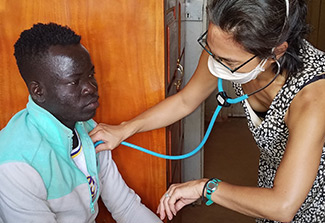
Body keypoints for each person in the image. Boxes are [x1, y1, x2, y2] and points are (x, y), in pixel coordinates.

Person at [89, 0, 325, 222]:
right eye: (212, 51)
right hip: (274, 176)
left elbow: (283, 206)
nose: (215, 64)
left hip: (315, 194)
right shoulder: (225, 46)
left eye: (229, 62)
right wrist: (124, 129)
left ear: (277, 52)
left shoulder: (313, 97)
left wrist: (205, 187)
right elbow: (185, 101)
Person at [0, 23, 162, 223]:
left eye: (91, 75)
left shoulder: (87, 129)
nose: (91, 87)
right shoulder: (16, 164)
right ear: (38, 91)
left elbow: (126, 207)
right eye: (74, 81)